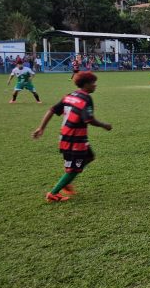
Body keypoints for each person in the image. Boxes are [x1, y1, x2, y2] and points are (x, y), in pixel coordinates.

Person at [32, 72, 112, 202]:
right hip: (74, 139)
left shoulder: (70, 96)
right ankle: (53, 194)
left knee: (89, 156)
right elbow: (89, 119)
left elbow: (52, 110)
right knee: (74, 170)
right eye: (93, 83)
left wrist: (41, 128)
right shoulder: (86, 98)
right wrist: (104, 125)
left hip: (68, 136)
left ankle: (66, 180)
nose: (95, 85)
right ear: (86, 84)